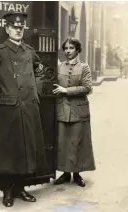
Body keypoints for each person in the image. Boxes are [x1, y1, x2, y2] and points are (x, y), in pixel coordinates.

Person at [0, 12, 48, 207]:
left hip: (28, 107)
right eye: (14, 27)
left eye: (21, 28)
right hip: (9, 109)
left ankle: (20, 188)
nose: (18, 30)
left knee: (25, 151)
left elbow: (39, 68)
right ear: (7, 29)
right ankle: (7, 192)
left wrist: (36, 89)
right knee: (9, 152)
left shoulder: (29, 51)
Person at [53, 38, 95, 187]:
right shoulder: (58, 67)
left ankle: (77, 174)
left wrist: (66, 90)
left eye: (71, 48)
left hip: (79, 110)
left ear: (77, 50)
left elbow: (87, 87)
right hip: (62, 109)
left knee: (77, 142)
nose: (68, 51)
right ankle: (65, 174)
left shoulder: (84, 67)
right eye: (66, 48)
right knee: (63, 143)